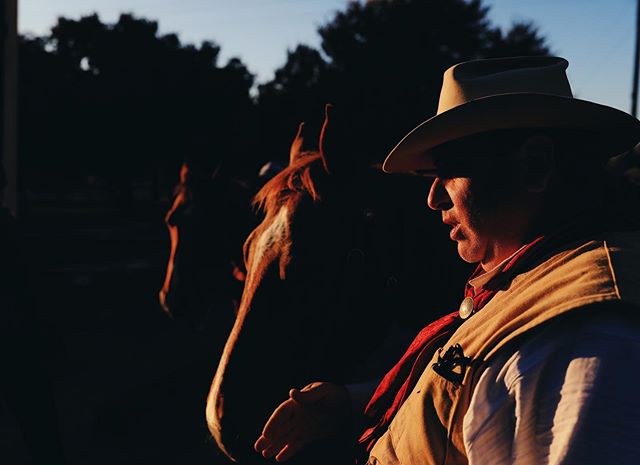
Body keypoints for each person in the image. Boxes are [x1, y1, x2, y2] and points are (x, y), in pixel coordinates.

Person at [252, 56, 640, 465]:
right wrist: (352, 401)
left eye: (451, 170)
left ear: (535, 165)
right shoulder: (538, 283)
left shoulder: (590, 340)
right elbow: (484, 390)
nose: (433, 198)